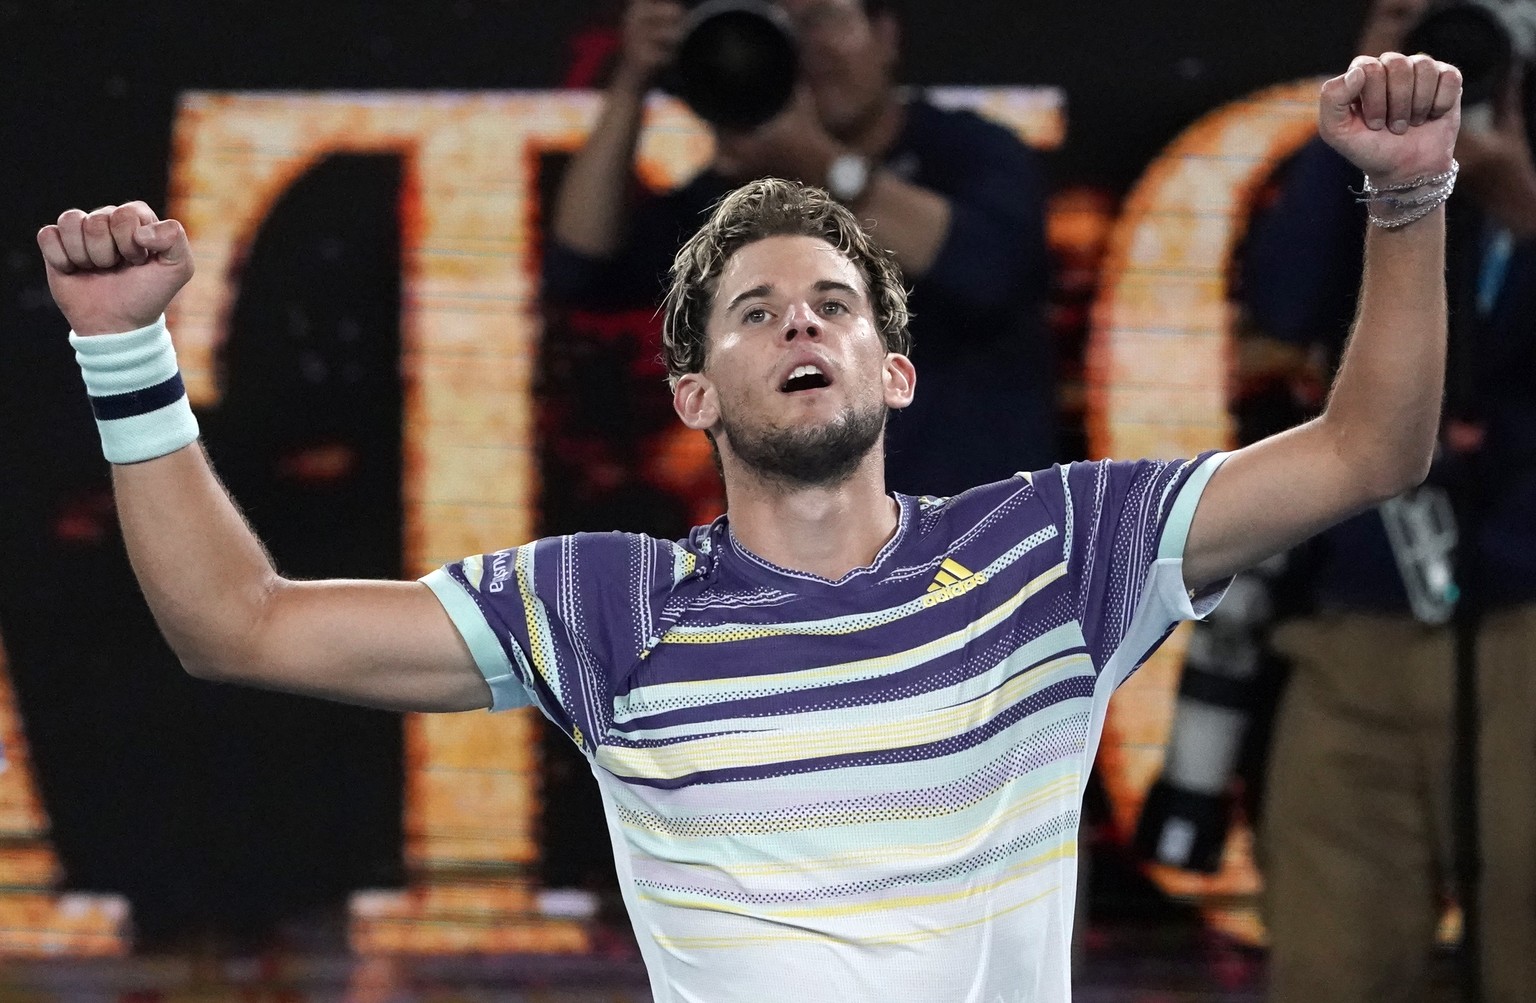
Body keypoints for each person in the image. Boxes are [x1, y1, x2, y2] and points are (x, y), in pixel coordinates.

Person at [36, 54, 1459, 1001]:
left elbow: (1369, 447)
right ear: (694, 391)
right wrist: (125, 361)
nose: (802, 324)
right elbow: (236, 621)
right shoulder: (603, 606)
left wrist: (1406, 194)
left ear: (893, 373)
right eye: (757, 310)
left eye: (834, 305)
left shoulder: (1058, 549)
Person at [1242, 8, 1536, 998]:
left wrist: (1525, 206)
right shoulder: (1359, 147)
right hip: (1353, 623)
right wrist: (1368, 116)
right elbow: (1279, 305)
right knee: (1332, 964)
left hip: (1526, 629)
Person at [545, 0, 1054, 497]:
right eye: (780, 26)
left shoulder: (971, 151)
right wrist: (633, 80)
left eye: (823, 19)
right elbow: (582, 267)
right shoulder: (742, 198)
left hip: (980, 527)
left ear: (885, 36)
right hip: (807, 546)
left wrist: (823, 164)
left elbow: (989, 267)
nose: (806, 47)